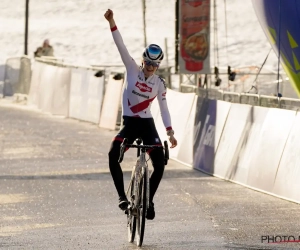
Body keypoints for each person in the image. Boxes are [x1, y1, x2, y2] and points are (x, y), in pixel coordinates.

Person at [104, 9, 177, 220]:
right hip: (129, 124)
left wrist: (170, 132)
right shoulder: (132, 68)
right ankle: (122, 197)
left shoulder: (159, 84)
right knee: (112, 154)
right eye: (148, 63)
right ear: (142, 60)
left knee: (160, 164)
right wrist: (112, 21)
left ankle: (149, 200)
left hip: (147, 126)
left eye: (156, 65)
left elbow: (164, 109)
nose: (151, 68)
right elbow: (120, 45)